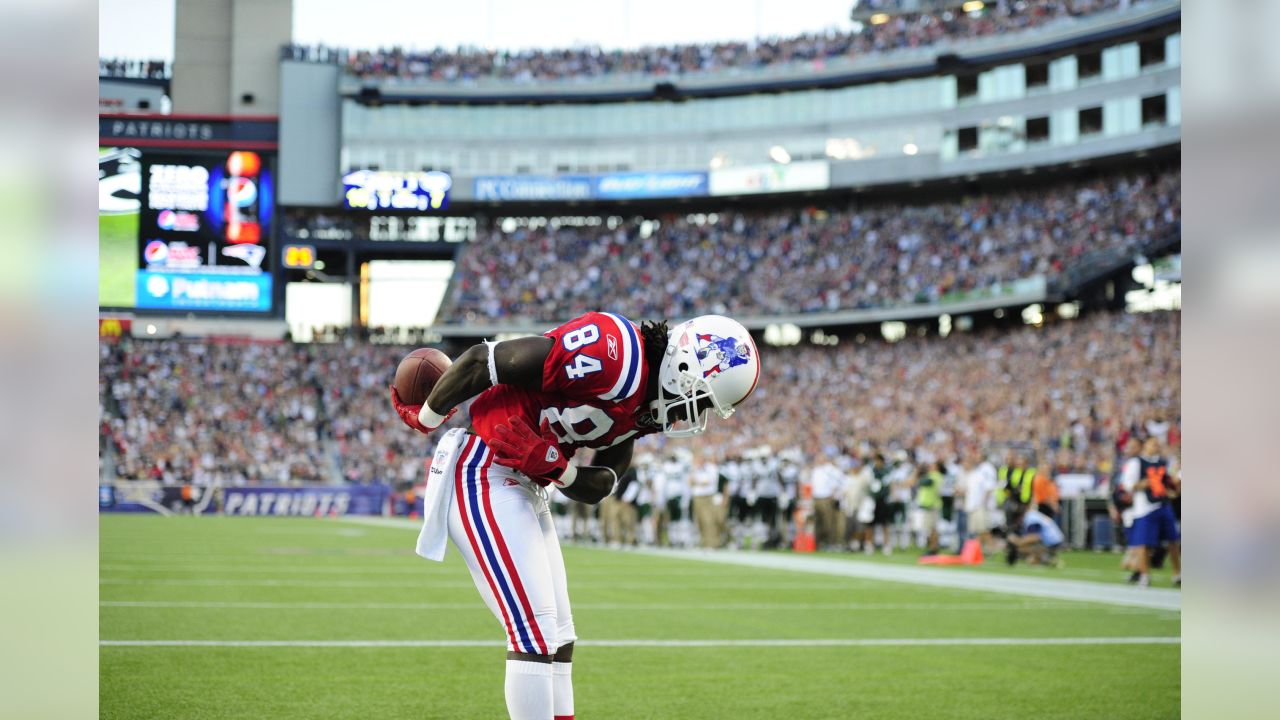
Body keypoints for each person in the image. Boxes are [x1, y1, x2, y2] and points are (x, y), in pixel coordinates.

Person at [391, 312, 760, 720]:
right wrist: (425, 417)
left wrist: (558, 468)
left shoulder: (649, 405)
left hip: (529, 483)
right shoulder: (614, 353)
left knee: (560, 638)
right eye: (704, 397)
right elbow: (483, 360)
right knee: (534, 633)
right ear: (686, 366)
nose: (698, 411)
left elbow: (603, 483)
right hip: (485, 468)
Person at [1120, 437, 1182, 587]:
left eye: (1157, 443)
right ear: (1145, 445)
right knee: (1143, 543)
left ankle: (1178, 573)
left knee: (1173, 540)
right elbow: (1127, 485)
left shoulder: (1162, 462)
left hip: (1163, 504)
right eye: (1152, 443)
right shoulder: (1136, 462)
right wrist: (1144, 483)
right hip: (1144, 507)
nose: (1156, 446)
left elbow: (1169, 483)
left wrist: (1171, 488)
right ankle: (1144, 574)